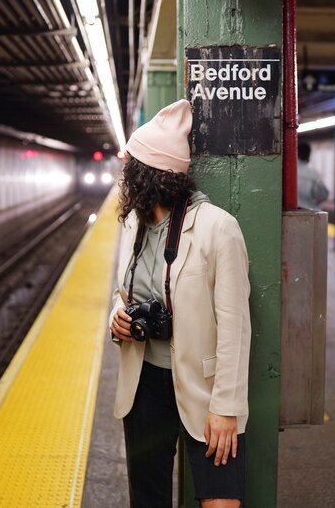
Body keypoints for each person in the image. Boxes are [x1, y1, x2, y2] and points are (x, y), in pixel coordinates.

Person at [109, 99, 251, 508]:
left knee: (220, 501)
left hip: (204, 388)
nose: (123, 176)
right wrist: (117, 317)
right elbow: (122, 293)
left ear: (146, 174)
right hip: (144, 385)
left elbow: (235, 327)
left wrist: (226, 407)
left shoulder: (217, 228)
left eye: (129, 167)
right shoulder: (134, 224)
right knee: (148, 498)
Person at [297, 141, 329, 210]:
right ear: (308, 156)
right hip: (311, 214)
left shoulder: (288, 172)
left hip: (291, 214)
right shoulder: (314, 174)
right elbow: (324, 195)